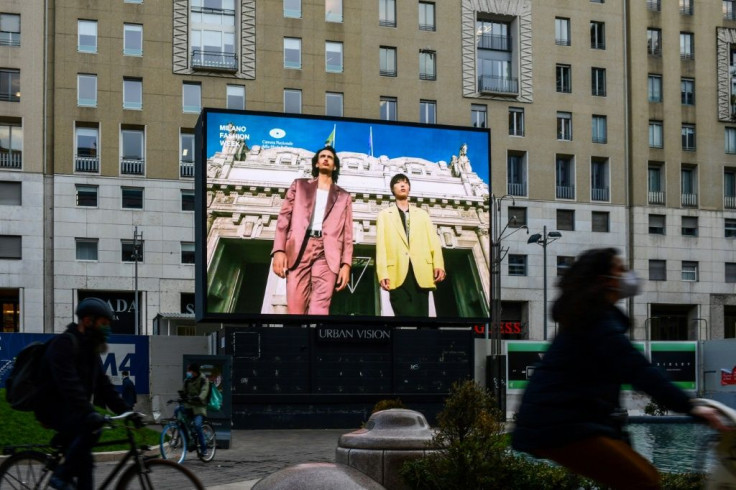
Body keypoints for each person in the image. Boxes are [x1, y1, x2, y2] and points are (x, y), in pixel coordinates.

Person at [511, 248, 730, 490]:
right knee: (643, 480)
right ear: (605, 281)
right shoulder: (597, 323)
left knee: (635, 478)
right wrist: (691, 406)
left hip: (556, 424)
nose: (628, 274)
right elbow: (638, 370)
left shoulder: (590, 319)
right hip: (559, 426)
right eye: (621, 269)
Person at [34, 297, 133, 490]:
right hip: (52, 407)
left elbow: (104, 387)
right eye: (103, 324)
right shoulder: (64, 344)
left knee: (86, 464)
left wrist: (128, 411)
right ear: (88, 321)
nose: (107, 329)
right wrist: (89, 412)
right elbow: (69, 385)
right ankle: (60, 477)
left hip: (73, 409)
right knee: (91, 427)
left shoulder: (90, 350)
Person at [271, 146, 354, 314]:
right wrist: (279, 250)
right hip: (299, 248)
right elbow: (284, 218)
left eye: (330, 157)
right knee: (295, 307)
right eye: (322, 156)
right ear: (316, 163)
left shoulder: (344, 196)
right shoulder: (299, 185)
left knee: (320, 308)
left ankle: (316, 339)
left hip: (327, 253)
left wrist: (346, 264)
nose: (325, 159)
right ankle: (298, 339)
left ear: (335, 166)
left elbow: (347, 233)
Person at [375, 173, 445, 316]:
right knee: (403, 316)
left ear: (409, 188)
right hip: (396, 272)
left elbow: (433, 241)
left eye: (406, 183)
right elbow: (381, 247)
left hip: (421, 271)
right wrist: (382, 273)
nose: (402, 185)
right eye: (398, 183)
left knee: (422, 317)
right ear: (392, 189)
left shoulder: (422, 214)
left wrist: (438, 264)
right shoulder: (384, 215)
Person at [177, 362, 209, 455]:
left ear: (194, 371)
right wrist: (181, 395)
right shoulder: (187, 380)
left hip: (199, 407)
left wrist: (199, 397)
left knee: (197, 425)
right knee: (177, 410)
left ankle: (204, 449)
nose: (188, 372)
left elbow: (204, 391)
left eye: (189, 371)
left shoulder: (203, 380)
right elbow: (184, 391)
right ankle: (188, 440)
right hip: (189, 405)